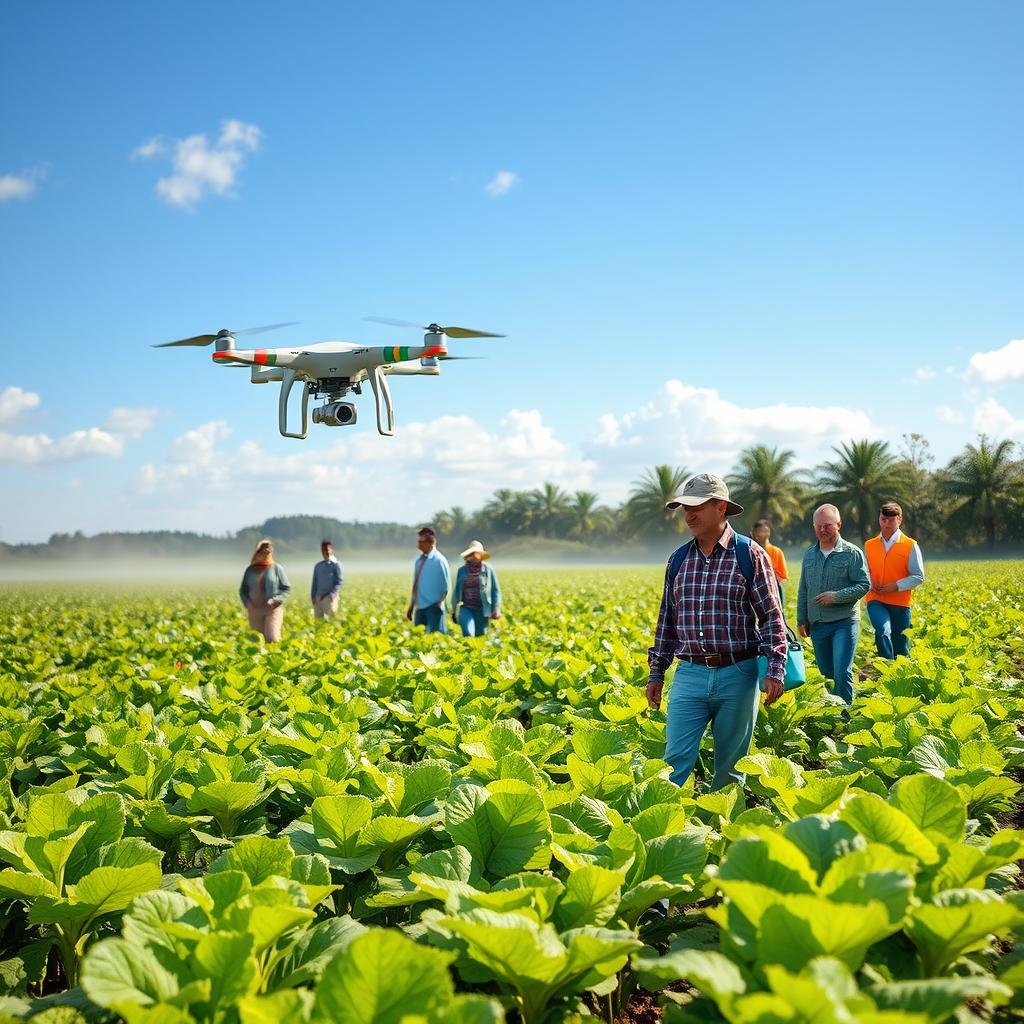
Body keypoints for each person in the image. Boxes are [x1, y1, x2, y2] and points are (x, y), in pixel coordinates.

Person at [646, 473, 787, 792]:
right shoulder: (679, 560)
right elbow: (667, 619)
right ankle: (666, 832)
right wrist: (656, 673)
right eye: (684, 508)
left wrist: (775, 671)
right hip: (690, 674)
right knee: (673, 765)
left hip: (738, 673)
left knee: (730, 770)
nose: (689, 514)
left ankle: (724, 835)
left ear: (721, 507)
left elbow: (771, 618)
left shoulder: (749, 555)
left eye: (697, 506)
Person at [796, 504, 870, 705]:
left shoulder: (852, 553)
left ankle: (844, 715)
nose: (822, 530)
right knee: (826, 672)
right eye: (818, 526)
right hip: (818, 623)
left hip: (844, 622)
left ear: (839, 524)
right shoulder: (810, 555)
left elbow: (864, 585)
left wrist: (836, 596)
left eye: (827, 525)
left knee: (841, 670)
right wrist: (802, 618)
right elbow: (803, 588)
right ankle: (831, 709)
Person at [864, 501, 925, 659]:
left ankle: (900, 672)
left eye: (891, 520)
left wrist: (895, 586)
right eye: (883, 519)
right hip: (875, 599)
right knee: (883, 630)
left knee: (901, 648)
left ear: (899, 520)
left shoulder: (910, 545)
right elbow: (865, 571)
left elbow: (918, 576)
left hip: (900, 603)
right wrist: (871, 583)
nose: (886, 524)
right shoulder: (870, 545)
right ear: (879, 519)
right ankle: (887, 666)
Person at [239, 538, 291, 642]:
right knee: (257, 641)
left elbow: (286, 588)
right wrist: (247, 603)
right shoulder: (250, 570)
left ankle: (275, 656)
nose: (267, 553)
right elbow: (243, 590)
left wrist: (276, 600)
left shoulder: (276, 568)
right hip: (255, 610)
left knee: (272, 638)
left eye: (269, 551)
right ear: (258, 552)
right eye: (264, 550)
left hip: (272, 609)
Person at [450, 540, 502, 637]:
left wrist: (496, 608)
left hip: (482, 610)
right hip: (466, 608)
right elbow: (457, 591)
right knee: (468, 633)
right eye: (473, 554)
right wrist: (453, 610)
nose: (475, 556)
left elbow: (495, 590)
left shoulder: (488, 570)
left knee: (480, 637)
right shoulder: (462, 570)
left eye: (477, 554)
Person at [405, 526, 450, 634]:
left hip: (434, 606)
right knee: (419, 637)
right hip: (420, 607)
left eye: (422, 541)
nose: (418, 544)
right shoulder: (419, 561)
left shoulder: (439, 560)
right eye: (418, 541)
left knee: (437, 638)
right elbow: (416, 584)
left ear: (431, 542)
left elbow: (446, 585)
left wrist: (440, 602)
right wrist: (411, 605)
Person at [751, 518, 788, 601]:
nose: (761, 534)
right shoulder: (749, 551)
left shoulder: (777, 552)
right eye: (758, 531)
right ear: (753, 533)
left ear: (769, 533)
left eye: (764, 531)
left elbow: (783, 576)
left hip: (774, 591)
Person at [310, 539, 344, 619]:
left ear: (331, 550)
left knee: (331, 621)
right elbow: (314, 583)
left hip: (329, 598)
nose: (326, 552)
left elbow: (339, 581)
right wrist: (313, 597)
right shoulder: (318, 566)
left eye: (328, 550)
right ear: (322, 551)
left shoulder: (336, 565)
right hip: (318, 598)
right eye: (324, 550)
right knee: (318, 622)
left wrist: (332, 595)